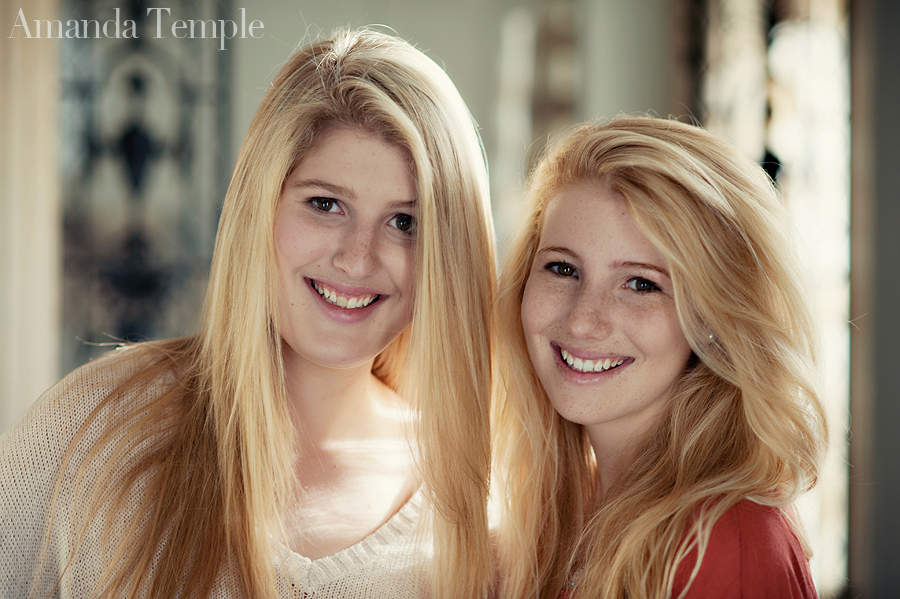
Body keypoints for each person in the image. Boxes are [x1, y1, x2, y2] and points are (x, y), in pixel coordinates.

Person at [0, 28, 496, 599]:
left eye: (404, 222)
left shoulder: (476, 506)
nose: (357, 259)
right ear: (260, 206)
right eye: (326, 204)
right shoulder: (94, 427)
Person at [493, 116, 826, 599]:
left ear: (713, 316)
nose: (583, 321)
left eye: (640, 283)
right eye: (562, 268)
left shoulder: (724, 540)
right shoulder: (562, 519)